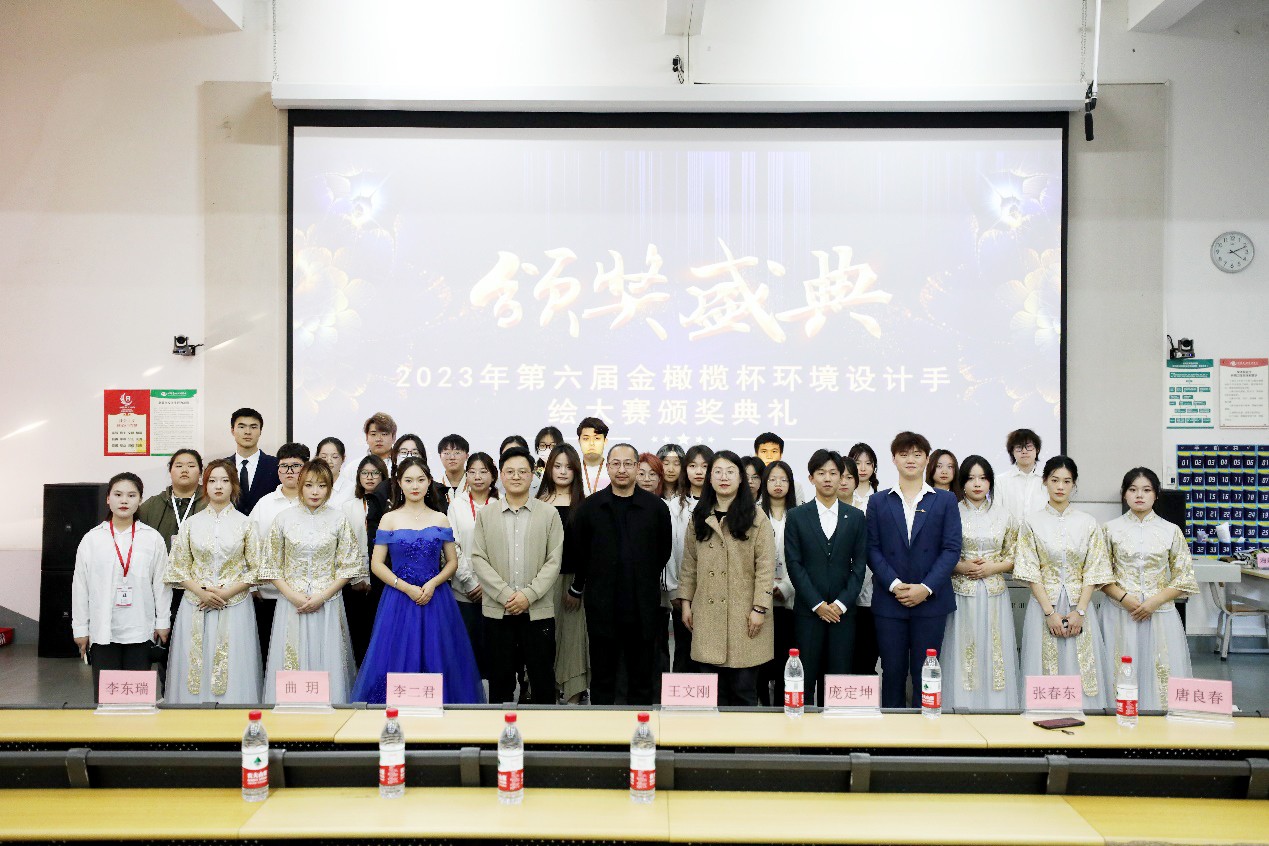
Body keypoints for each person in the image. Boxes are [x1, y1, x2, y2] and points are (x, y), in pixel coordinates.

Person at [352, 458, 484, 705]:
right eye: (409, 480)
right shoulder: (389, 519)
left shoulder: (440, 518)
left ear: (429, 482)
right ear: (399, 483)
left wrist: (433, 583)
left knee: (438, 655)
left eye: (421, 480)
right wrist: (405, 587)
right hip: (399, 598)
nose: (415, 486)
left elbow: (452, 562)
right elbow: (377, 564)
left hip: (436, 597)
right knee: (396, 656)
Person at [567, 444, 672, 705]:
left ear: (637, 467)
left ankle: (640, 726)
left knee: (641, 677)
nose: (622, 469)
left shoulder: (656, 508)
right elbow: (580, 553)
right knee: (603, 677)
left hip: (643, 606)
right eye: (616, 463)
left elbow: (663, 551)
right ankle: (603, 728)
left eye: (628, 464)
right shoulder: (590, 508)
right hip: (602, 606)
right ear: (608, 467)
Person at [867, 432, 962, 709]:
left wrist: (926, 588)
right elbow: (872, 549)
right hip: (890, 601)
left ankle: (927, 731)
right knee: (892, 673)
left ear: (927, 460)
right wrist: (894, 584)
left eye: (917, 454)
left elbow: (951, 549)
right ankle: (892, 732)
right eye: (904, 454)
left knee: (927, 674)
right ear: (894, 459)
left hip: (931, 602)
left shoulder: (945, 500)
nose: (911, 459)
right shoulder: (879, 501)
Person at [260, 459, 366, 704]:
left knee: (327, 658)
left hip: (327, 602)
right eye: (309, 485)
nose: (315, 491)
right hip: (291, 603)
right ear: (300, 485)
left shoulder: (339, 519)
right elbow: (271, 566)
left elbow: (349, 567)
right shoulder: (283, 518)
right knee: (291, 656)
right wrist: (292, 595)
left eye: (321, 485)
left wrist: (322, 596)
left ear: (329, 488)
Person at [1014, 456, 1113, 711]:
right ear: (1044, 481)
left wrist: (1080, 611)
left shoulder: (1088, 523)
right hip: (1043, 607)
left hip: (1080, 607)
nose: (1060, 486)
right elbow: (1030, 571)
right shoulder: (1031, 523)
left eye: (1067, 481)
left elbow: (1093, 570)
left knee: (1083, 665)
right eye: (1055, 480)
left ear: (1074, 484)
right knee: (1045, 665)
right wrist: (1049, 613)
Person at [679, 450, 776, 706]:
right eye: (718, 472)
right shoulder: (699, 516)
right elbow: (689, 564)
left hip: (744, 616)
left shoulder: (757, 518)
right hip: (707, 616)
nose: (724, 477)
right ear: (709, 478)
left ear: (741, 478)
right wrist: (686, 604)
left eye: (731, 472)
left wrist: (759, 608)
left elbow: (766, 567)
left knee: (743, 693)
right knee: (710, 696)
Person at [1100, 467, 1198, 711]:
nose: (1139, 495)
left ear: (1156, 494)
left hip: (1160, 614)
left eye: (1146, 490)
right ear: (1124, 494)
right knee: (1120, 668)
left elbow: (1184, 577)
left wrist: (1155, 601)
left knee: (1160, 671)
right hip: (1120, 612)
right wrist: (1124, 598)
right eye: (1133, 489)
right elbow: (1099, 574)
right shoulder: (1110, 529)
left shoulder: (1171, 530)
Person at [164, 459, 262, 704]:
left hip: (234, 605)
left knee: (232, 662)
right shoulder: (191, 524)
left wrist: (226, 593)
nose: (218, 486)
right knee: (194, 662)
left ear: (234, 485)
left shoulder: (246, 524)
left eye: (225, 481)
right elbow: (177, 567)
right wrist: (202, 592)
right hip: (196, 604)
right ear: (204, 485)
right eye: (212, 481)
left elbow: (258, 569)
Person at [471, 447, 564, 705]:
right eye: (510, 471)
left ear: (533, 475)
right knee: (499, 683)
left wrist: (528, 595)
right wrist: (505, 595)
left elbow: (554, 561)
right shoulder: (486, 514)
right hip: (497, 612)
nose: (516, 476)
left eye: (522, 471)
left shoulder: (549, 514)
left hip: (537, 611)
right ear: (500, 475)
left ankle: (542, 731)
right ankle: (500, 730)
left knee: (542, 681)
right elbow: (478, 558)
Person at [71, 473, 172, 701]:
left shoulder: (152, 538)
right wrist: (81, 628)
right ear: (108, 499)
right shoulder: (92, 539)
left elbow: (161, 583)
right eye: (118, 494)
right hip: (103, 631)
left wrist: (162, 621)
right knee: (108, 698)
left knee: (137, 696)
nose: (124, 500)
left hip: (140, 629)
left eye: (131, 495)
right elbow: (80, 587)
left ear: (140, 500)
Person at [785, 450, 868, 704]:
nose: (828, 478)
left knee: (838, 683)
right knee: (804, 681)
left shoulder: (856, 517)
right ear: (811, 478)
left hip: (843, 614)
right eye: (821, 473)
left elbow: (860, 566)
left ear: (842, 477)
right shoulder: (797, 516)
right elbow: (794, 564)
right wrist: (817, 604)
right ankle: (803, 730)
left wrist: (841, 604)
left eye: (833, 473)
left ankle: (835, 731)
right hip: (808, 613)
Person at [940, 456, 1021, 710]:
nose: (977, 484)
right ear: (962, 482)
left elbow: (1016, 556)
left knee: (995, 649)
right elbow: (939, 553)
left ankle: (996, 708)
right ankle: (961, 706)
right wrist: (960, 566)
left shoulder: (1005, 516)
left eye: (983, 478)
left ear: (990, 483)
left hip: (995, 595)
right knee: (964, 649)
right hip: (960, 594)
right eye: (971, 478)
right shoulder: (951, 511)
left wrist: (992, 568)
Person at [136, 447, 208, 681]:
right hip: (164, 587)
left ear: (201, 472)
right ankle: (168, 691)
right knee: (165, 646)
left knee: (199, 646)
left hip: (201, 589)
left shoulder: (211, 502)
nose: (185, 470)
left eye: (191, 465)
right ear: (170, 471)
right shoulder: (152, 506)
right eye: (179, 465)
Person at [249, 442, 310, 657]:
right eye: (284, 466)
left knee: (304, 652)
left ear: (307, 468)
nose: (289, 471)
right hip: (270, 594)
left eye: (296, 466)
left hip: (308, 595)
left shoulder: (316, 501)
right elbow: (251, 547)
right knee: (272, 654)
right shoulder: (264, 504)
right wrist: (252, 586)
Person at [540, 444, 590, 703]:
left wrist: (577, 587)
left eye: (568, 467)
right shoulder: (537, 502)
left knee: (572, 640)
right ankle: (546, 692)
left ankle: (573, 695)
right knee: (544, 639)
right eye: (557, 466)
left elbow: (588, 551)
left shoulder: (584, 505)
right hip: (541, 584)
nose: (562, 471)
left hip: (573, 582)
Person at [446, 452, 499, 680]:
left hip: (495, 591)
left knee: (493, 650)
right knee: (467, 648)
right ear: (466, 475)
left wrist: (487, 584)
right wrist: (470, 582)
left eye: (483, 471)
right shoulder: (456, 505)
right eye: (472, 472)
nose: (478, 477)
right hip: (464, 590)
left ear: (493, 476)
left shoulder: (501, 504)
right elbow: (452, 546)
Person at [666, 444, 712, 673]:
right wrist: (676, 590)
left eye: (705, 466)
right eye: (693, 466)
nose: (699, 471)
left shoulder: (720, 505)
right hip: (684, 592)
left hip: (713, 592)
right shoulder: (675, 506)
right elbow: (671, 551)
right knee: (684, 651)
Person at [756, 459, 798, 707]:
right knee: (761, 662)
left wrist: (785, 587)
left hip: (790, 600)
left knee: (786, 658)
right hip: (760, 601)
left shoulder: (800, 514)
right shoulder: (754, 513)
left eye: (783, 479)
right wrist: (765, 588)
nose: (778, 484)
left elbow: (803, 559)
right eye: (772, 479)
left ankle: (784, 708)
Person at [342, 455, 388, 664]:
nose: (369, 477)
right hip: (354, 581)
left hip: (383, 579)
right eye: (365, 473)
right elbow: (345, 546)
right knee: (358, 635)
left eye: (375, 473)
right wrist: (357, 578)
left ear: (383, 476)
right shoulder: (348, 507)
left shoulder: (390, 506)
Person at [847, 442, 881, 676]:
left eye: (868, 463)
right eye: (857, 462)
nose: (862, 468)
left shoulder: (880, 499)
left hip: (872, 581)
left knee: (867, 648)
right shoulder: (840, 497)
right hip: (842, 582)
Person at [227, 408, 278, 516]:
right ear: (232, 430)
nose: (247, 432)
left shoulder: (276, 465)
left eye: (253, 427)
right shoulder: (222, 467)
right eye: (241, 427)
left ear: (260, 431)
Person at [997, 428, 1045, 522]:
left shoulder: (1047, 480)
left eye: (1029, 446)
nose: (1024, 451)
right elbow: (996, 514)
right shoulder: (1000, 481)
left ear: (1037, 449)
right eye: (1019, 447)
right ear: (1012, 451)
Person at [576, 417, 611, 495]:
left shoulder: (613, 470)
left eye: (597, 438)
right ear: (579, 441)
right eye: (586, 439)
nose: (591, 443)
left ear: (605, 441)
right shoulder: (572, 469)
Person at [317, 437, 354, 507]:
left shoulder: (352, 490)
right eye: (324, 457)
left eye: (334, 457)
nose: (328, 461)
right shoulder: (309, 486)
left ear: (343, 459)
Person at [436, 434, 470, 507]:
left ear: (467, 456)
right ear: (440, 456)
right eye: (447, 453)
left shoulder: (474, 485)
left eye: (457, 453)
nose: (452, 457)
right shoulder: (434, 487)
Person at [532, 426, 564, 495]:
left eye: (553, 446)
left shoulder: (566, 471)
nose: (547, 449)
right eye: (542, 446)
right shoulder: (533, 472)